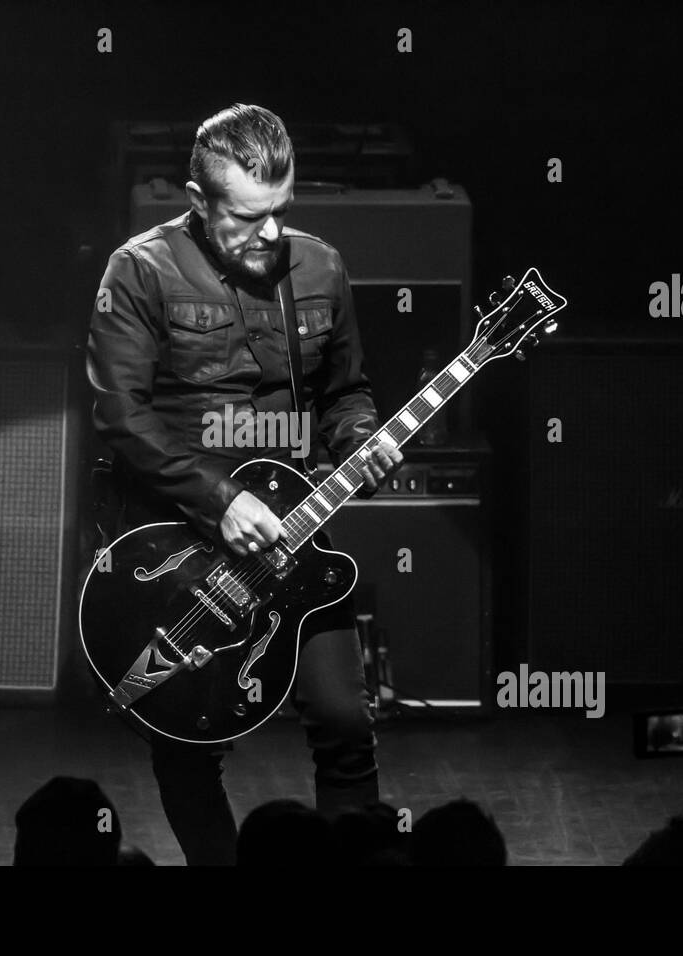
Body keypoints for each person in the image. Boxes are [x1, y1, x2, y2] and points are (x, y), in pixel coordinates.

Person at [86, 104, 402, 864]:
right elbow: (119, 415)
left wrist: (361, 440)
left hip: (292, 532)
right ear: (199, 204)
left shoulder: (320, 267)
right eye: (247, 217)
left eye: (281, 213)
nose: (268, 234)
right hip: (179, 545)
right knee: (188, 744)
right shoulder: (140, 269)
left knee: (345, 723)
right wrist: (220, 500)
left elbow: (346, 390)